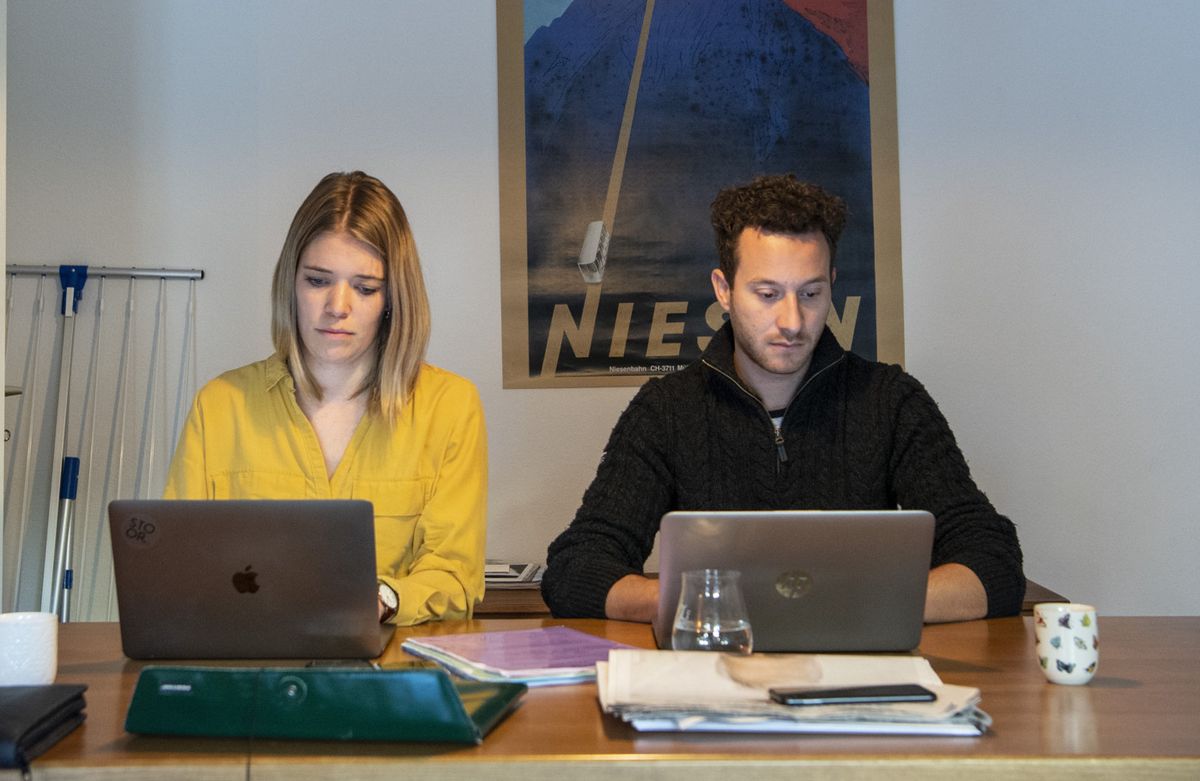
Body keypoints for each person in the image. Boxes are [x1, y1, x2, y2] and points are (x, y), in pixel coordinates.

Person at [541, 174, 1024, 624]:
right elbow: (576, 568)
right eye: (768, 294)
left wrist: (841, 605)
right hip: (716, 675)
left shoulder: (891, 402)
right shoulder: (667, 410)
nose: (792, 321)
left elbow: (994, 563)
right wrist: (714, 604)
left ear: (832, 283)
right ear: (724, 290)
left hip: (853, 678)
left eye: (811, 294)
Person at [164, 170, 486, 625]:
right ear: (290, 284)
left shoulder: (450, 406)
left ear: (393, 297)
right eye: (318, 281)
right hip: (252, 670)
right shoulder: (220, 405)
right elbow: (176, 569)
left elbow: (455, 578)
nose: (338, 306)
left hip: (388, 678)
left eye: (365, 287)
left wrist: (381, 598)